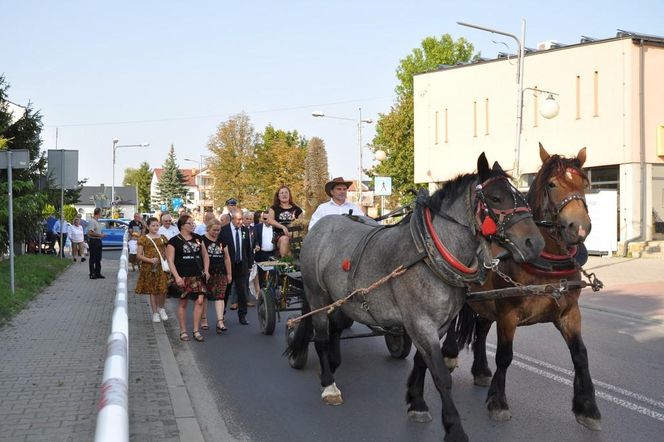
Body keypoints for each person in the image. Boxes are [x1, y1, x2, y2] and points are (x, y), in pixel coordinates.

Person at [166, 214, 210, 342]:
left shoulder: (198, 238)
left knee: (200, 300)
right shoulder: (173, 241)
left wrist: (206, 270)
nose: (192, 225)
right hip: (182, 275)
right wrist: (177, 277)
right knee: (183, 302)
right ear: (182, 225)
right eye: (189, 223)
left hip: (197, 274)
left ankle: (196, 330)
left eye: (193, 223)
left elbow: (205, 255)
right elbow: (170, 260)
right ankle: (183, 330)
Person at [220, 210, 254, 325]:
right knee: (225, 291)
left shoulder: (244, 230)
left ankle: (242, 315)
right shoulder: (224, 231)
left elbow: (248, 248)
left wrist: (249, 264)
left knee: (242, 292)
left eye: (242, 219)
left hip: (241, 265)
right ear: (232, 219)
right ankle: (221, 314)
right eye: (239, 219)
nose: (241, 221)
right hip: (228, 266)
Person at [135, 217, 169, 323]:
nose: (155, 227)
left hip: (162, 267)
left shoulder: (163, 237)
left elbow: (167, 252)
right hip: (149, 268)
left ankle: (161, 308)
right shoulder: (144, 239)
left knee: (163, 289)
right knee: (153, 291)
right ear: (148, 227)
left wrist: (169, 264)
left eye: (157, 225)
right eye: (153, 225)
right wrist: (149, 260)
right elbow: (138, 255)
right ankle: (155, 313)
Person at [202, 218, 232, 333]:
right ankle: (203, 318)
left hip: (220, 271)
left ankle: (220, 321)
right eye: (214, 230)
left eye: (218, 230)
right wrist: (205, 271)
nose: (216, 233)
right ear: (208, 228)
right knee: (204, 296)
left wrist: (229, 274)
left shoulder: (222, 240)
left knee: (220, 295)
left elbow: (227, 257)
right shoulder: (202, 240)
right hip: (207, 271)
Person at [267, 185, 302, 257]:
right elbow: (270, 220)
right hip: (280, 234)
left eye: (286, 192)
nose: (284, 194)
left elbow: (301, 223)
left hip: (295, 235)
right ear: (278, 196)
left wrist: (292, 231)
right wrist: (283, 227)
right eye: (281, 193)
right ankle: (285, 264)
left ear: (289, 195)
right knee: (285, 239)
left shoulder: (297, 209)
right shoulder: (274, 208)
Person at [253, 211, 275, 289]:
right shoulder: (257, 227)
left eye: (268, 218)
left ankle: (272, 292)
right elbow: (254, 239)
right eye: (264, 218)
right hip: (261, 254)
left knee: (273, 274)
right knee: (261, 275)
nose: (266, 220)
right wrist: (256, 245)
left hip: (273, 254)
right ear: (262, 219)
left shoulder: (275, 227)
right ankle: (262, 295)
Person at [87, 208, 106, 279]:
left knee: (98, 258)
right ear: (98, 213)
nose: (102, 214)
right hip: (93, 241)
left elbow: (96, 231)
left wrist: (101, 234)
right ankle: (92, 273)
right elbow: (90, 232)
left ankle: (97, 273)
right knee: (93, 258)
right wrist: (100, 235)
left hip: (98, 241)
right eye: (101, 213)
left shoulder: (97, 221)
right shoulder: (92, 221)